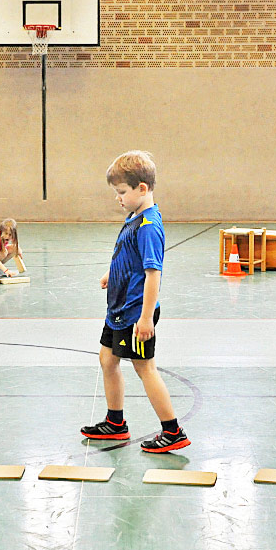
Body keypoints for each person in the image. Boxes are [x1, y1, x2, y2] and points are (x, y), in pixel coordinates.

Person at [80, 151, 190, 453]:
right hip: (117, 310)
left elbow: (153, 273)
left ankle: (173, 430)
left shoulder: (149, 227)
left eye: (122, 192)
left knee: (145, 369)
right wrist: (111, 272)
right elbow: (129, 256)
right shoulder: (134, 217)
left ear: (142, 188)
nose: (118, 198)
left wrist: (144, 318)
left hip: (134, 314)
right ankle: (115, 422)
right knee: (107, 360)